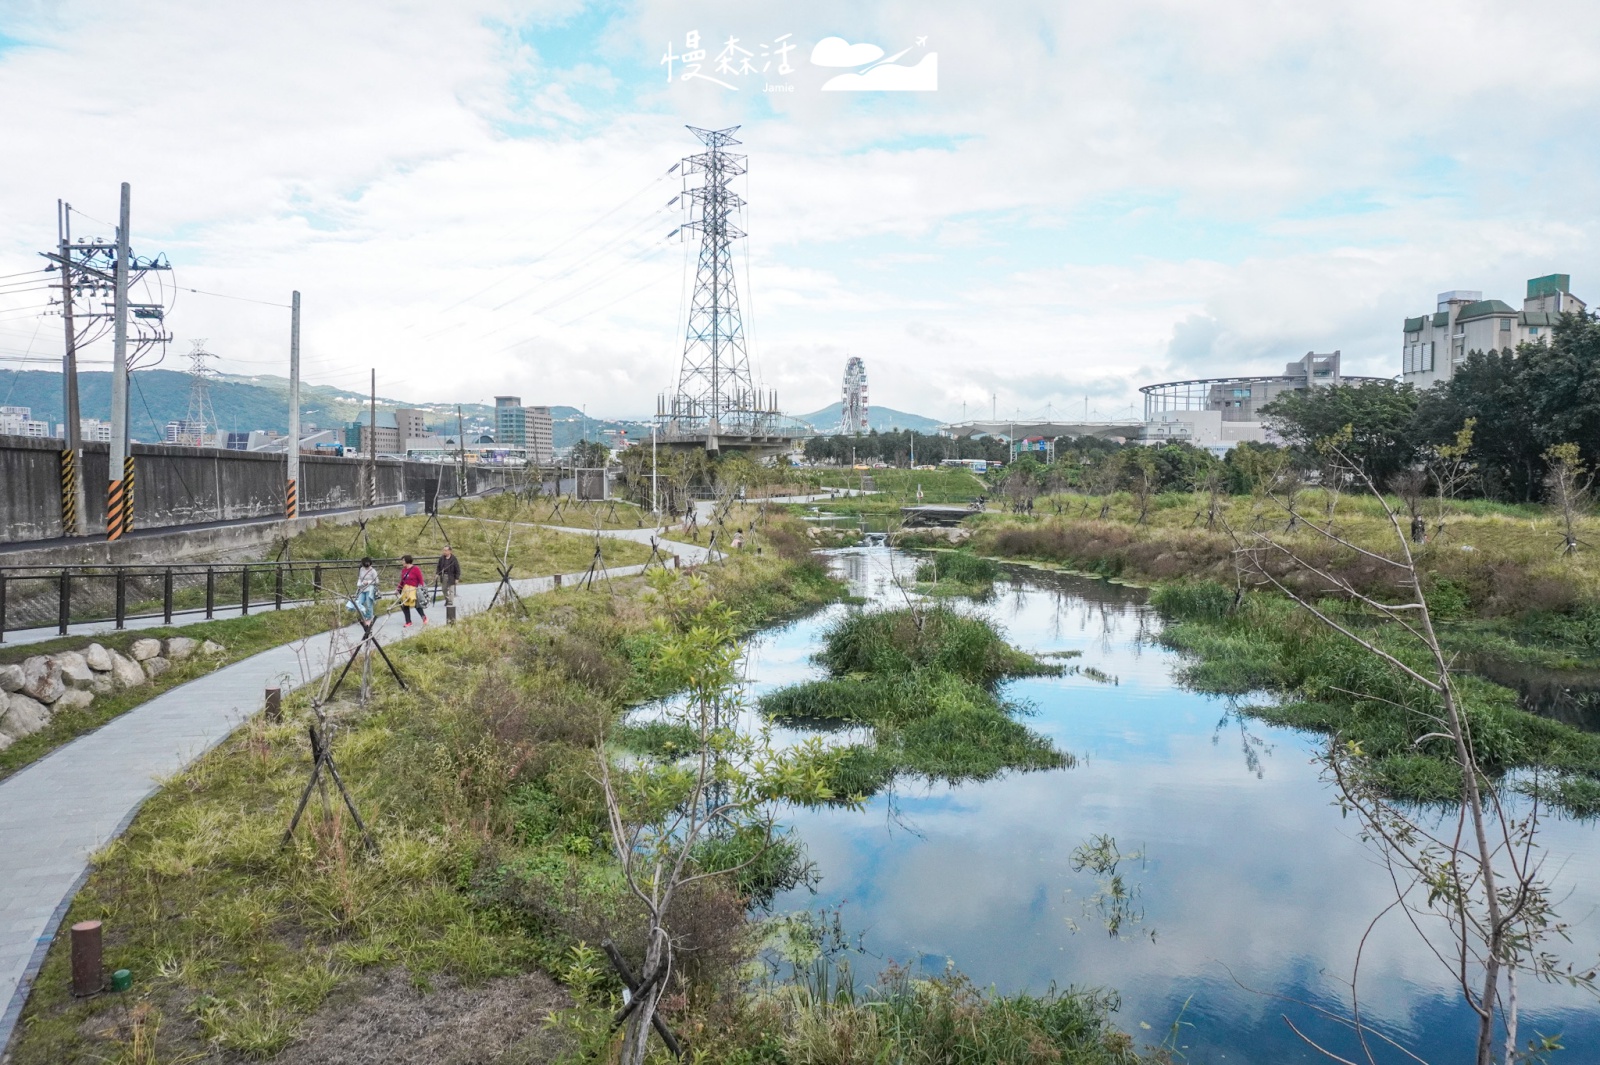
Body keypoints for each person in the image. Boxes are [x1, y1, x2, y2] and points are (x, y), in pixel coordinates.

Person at [397, 554, 427, 627]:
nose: (402, 562)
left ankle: (423, 617)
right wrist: (398, 588)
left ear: (407, 561)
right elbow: (402, 581)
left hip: (414, 589)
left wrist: (421, 588)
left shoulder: (415, 569)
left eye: (403, 561)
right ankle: (408, 621)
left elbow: (420, 580)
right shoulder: (404, 570)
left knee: (416, 605)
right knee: (405, 605)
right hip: (405, 589)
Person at [354, 557, 379, 621]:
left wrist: (368, 582)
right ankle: (364, 616)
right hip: (362, 588)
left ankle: (370, 617)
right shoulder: (361, 569)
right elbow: (360, 578)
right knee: (359, 603)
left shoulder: (373, 571)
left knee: (368, 604)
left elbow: (377, 581)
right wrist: (359, 583)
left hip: (369, 589)